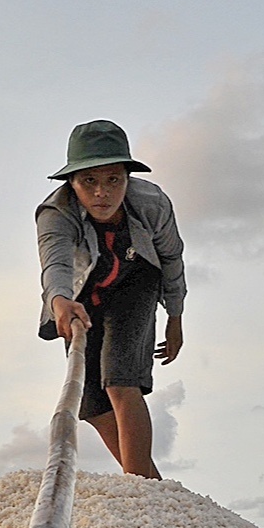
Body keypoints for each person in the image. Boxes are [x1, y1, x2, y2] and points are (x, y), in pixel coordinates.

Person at [35, 120, 186, 479]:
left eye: (113, 180)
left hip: (138, 280)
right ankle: (153, 487)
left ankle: (136, 490)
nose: (102, 192)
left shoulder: (152, 204)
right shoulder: (56, 214)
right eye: (90, 181)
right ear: (72, 182)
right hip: (80, 297)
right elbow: (54, 263)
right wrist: (59, 303)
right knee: (91, 403)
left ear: (127, 178)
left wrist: (175, 318)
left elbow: (171, 258)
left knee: (119, 379)